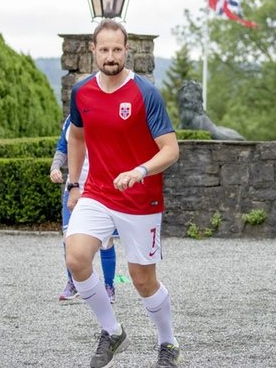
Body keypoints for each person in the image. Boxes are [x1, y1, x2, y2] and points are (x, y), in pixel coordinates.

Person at [64, 19, 181, 368]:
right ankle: (112, 332)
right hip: (98, 193)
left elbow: (170, 149)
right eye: (104, 49)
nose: (111, 56)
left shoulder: (145, 93)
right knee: (76, 257)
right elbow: (76, 136)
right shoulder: (82, 93)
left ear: (126, 50)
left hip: (140, 199)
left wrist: (140, 170)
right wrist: (74, 183)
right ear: (93, 50)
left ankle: (168, 344)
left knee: (142, 280)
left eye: (117, 49)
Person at [50, 116, 118, 303]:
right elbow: (62, 148)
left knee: (106, 240)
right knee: (68, 239)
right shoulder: (70, 120)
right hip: (72, 190)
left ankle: (109, 286)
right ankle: (73, 283)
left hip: (100, 190)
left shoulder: (104, 115)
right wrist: (55, 167)